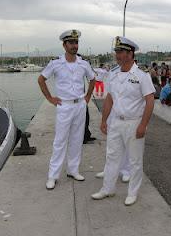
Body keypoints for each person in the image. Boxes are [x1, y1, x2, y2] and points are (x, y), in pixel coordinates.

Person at [91, 36, 155, 206]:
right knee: (112, 156)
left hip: (134, 122)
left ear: (130, 54)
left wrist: (143, 125)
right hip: (116, 122)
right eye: (116, 52)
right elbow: (109, 99)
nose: (117, 55)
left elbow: (150, 100)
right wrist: (104, 120)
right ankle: (107, 189)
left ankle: (132, 192)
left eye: (120, 52)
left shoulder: (141, 75)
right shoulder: (113, 73)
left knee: (134, 160)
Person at [38, 29, 95, 190]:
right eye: (71, 43)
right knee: (60, 141)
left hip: (79, 105)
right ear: (64, 45)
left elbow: (92, 79)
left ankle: (73, 170)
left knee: (77, 139)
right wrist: (50, 98)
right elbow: (41, 79)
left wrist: (87, 97)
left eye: (76, 42)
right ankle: (53, 176)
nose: (74, 45)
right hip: (64, 105)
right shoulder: (55, 63)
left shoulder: (83, 63)